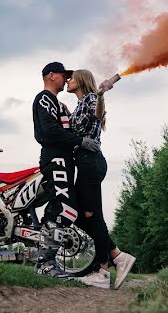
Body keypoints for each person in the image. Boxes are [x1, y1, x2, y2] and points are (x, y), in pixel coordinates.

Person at [66, 69, 136, 290]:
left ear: (82, 81)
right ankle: (117, 255)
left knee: (93, 216)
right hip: (86, 164)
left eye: (72, 77)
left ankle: (103, 271)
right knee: (77, 214)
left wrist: (102, 95)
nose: (68, 80)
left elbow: (98, 113)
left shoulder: (91, 98)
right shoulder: (79, 104)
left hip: (90, 162)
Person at [32, 61, 100, 278]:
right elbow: (49, 132)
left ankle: (50, 261)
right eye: (63, 75)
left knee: (69, 208)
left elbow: (75, 123)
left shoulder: (59, 104)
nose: (66, 79)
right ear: (52, 76)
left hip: (65, 160)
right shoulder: (44, 99)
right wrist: (80, 141)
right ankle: (45, 263)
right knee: (61, 206)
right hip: (55, 158)